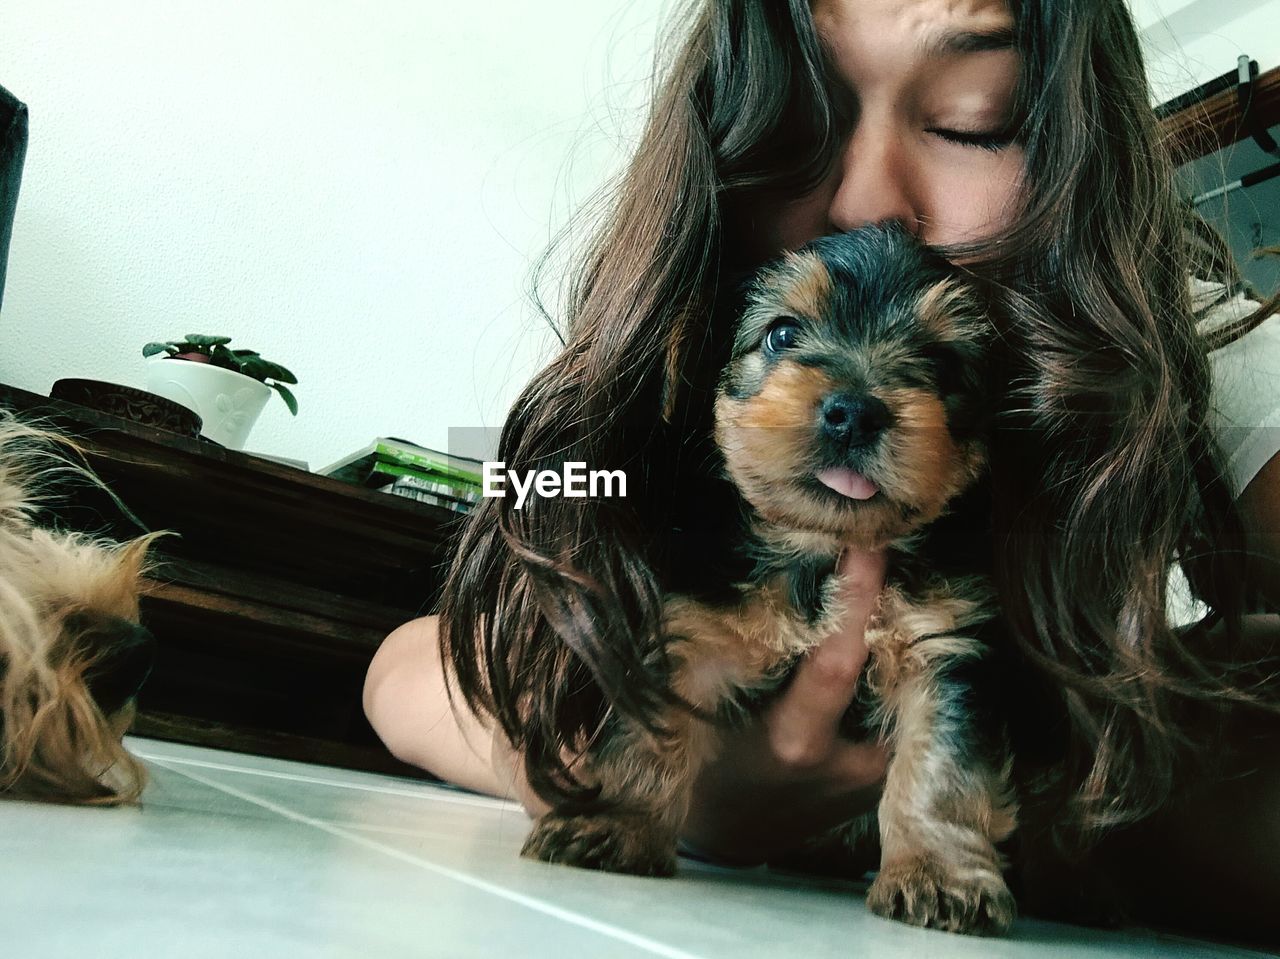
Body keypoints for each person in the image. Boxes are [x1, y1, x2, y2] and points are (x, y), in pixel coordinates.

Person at [364, 0, 1280, 941]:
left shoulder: (1189, 350)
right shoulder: (643, 407)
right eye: (797, 127)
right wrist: (585, 764)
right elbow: (399, 667)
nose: (867, 202)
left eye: (976, 118)